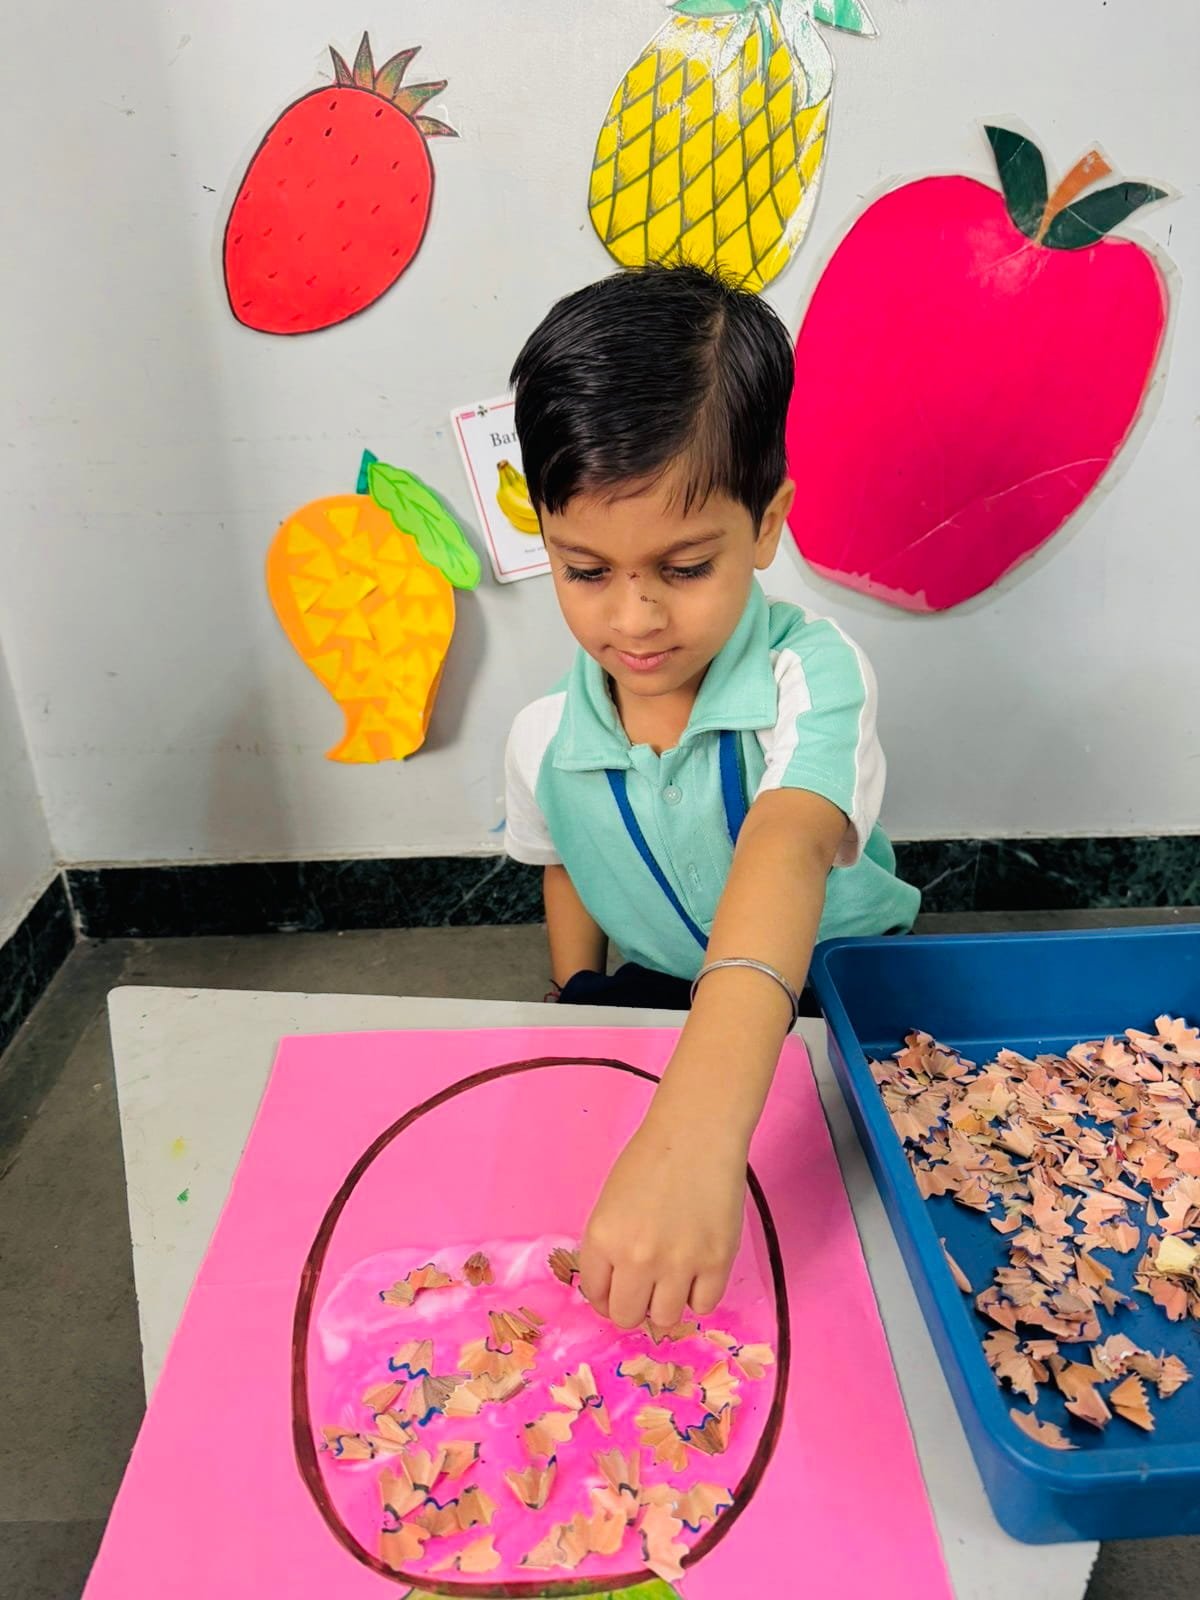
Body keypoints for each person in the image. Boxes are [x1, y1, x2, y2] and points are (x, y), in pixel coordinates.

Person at [503, 262, 918, 1333]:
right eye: (585, 571)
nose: (634, 619)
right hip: (660, 992)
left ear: (766, 524)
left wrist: (695, 1136)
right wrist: (576, 993)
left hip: (841, 986)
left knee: (867, 1262)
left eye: (684, 568)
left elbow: (786, 845)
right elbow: (563, 865)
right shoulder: (543, 737)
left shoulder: (812, 675)